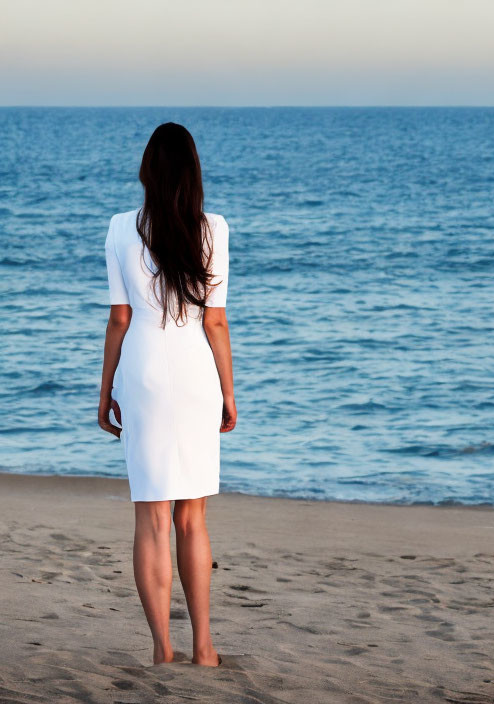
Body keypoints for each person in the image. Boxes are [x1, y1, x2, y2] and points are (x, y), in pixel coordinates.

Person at [97, 122, 236, 667]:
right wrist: (228, 391)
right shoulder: (214, 229)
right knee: (191, 518)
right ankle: (204, 648)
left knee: (151, 517)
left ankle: (162, 649)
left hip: (145, 373)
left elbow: (119, 318)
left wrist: (106, 390)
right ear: (194, 171)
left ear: (148, 170)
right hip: (196, 373)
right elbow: (216, 323)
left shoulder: (118, 229)